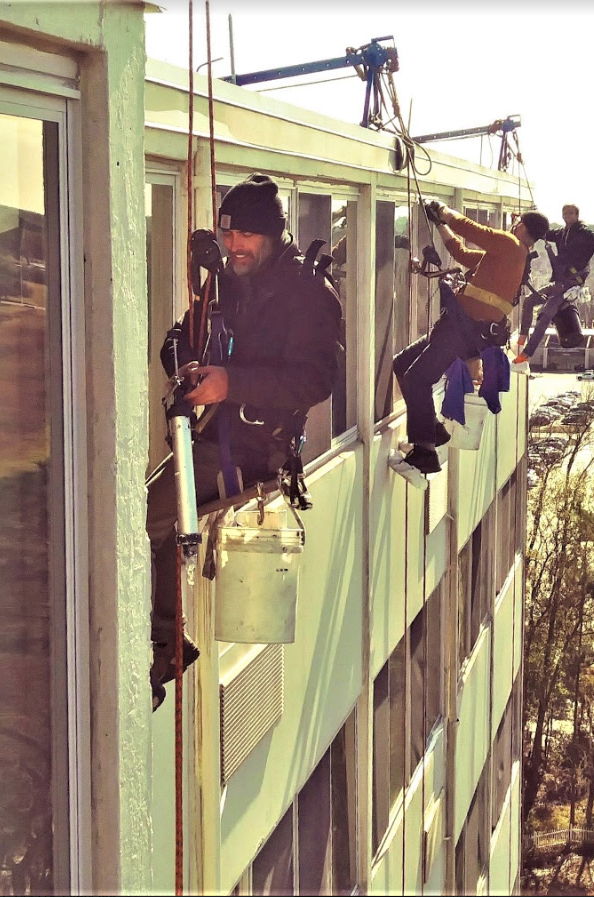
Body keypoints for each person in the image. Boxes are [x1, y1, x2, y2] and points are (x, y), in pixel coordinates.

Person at [146, 173, 343, 709]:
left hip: (255, 450)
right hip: (216, 437)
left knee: (148, 519)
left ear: (274, 235)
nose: (234, 246)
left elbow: (315, 381)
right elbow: (179, 337)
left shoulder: (308, 294)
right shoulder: (227, 282)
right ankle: (168, 640)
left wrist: (230, 382)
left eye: (246, 237)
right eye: (229, 236)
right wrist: (184, 364)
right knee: (155, 522)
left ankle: (163, 643)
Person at [392, 201, 549, 477]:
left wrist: (443, 211)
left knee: (417, 378)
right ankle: (433, 430)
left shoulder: (511, 245)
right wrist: (440, 225)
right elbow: (462, 254)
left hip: (462, 331)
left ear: (521, 225)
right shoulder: (508, 257)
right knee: (402, 363)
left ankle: (425, 451)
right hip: (460, 329)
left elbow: (472, 230)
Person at [513, 204, 594, 369]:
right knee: (529, 301)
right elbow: (542, 233)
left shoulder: (584, 234)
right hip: (559, 283)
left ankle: (526, 354)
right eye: (565, 213)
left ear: (577, 215)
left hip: (570, 285)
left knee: (545, 314)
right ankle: (522, 337)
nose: (567, 216)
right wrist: (524, 221)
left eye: (570, 213)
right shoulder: (562, 234)